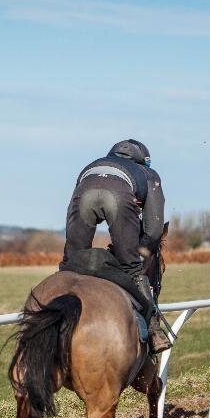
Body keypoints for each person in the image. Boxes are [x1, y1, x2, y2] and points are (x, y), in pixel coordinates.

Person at [61, 139, 170, 353]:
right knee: (131, 267)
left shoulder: (92, 165)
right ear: (143, 161)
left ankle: (52, 315)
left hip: (84, 192)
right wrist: (137, 251)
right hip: (119, 196)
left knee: (71, 264)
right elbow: (154, 230)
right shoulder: (149, 175)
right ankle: (154, 331)